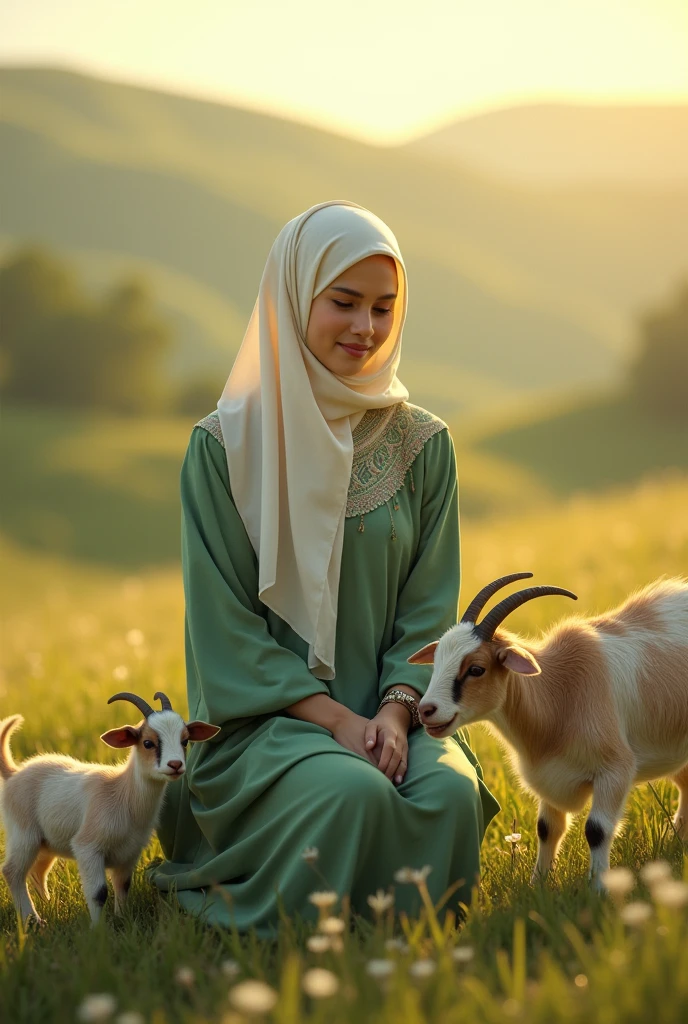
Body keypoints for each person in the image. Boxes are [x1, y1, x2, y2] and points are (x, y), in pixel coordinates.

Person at [150, 201, 499, 935]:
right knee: (354, 796)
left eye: (383, 307)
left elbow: (429, 611)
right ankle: (318, 935)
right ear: (292, 296)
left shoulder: (423, 445)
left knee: (449, 797)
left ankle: (408, 947)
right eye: (343, 303)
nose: (365, 328)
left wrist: (395, 715)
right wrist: (339, 721)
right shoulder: (222, 450)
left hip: (395, 712)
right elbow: (225, 632)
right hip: (266, 727)